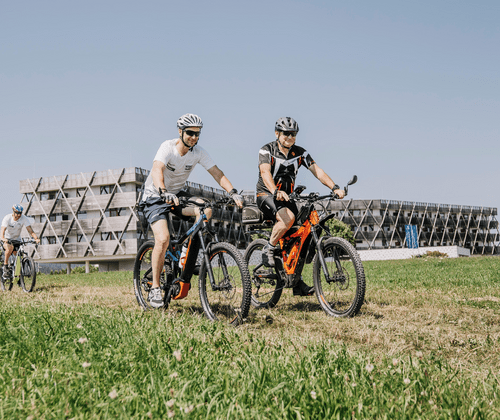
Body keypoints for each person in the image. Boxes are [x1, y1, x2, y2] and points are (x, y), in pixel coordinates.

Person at [140, 113, 244, 308]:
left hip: (177, 195)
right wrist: (163, 191)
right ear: (180, 131)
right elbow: (157, 169)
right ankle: (155, 288)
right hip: (155, 196)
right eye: (190, 133)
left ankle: (187, 255)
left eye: (197, 134)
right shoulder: (167, 147)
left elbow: (217, 173)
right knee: (163, 239)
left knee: (206, 209)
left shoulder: (198, 152)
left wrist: (233, 192)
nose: (194, 137)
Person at [256, 117, 345, 296]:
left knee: (305, 233)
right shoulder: (267, 150)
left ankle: (296, 281)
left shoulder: (300, 153)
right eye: (286, 133)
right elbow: (265, 173)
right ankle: (269, 247)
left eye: (293, 134)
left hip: (287, 198)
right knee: (288, 218)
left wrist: (334, 187)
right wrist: (275, 191)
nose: (290, 137)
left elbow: (317, 171)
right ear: (277, 133)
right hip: (266, 195)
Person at [1, 204, 40, 280]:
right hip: (7, 239)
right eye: (17, 213)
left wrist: (36, 238)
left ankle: (19, 277)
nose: (19, 215)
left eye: (20, 213)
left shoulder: (23, 218)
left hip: (17, 239)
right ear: (13, 212)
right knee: (9, 248)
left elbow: (30, 230)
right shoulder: (7, 218)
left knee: (19, 255)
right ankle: (5, 267)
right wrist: (3, 238)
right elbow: (2, 230)